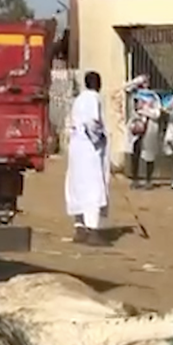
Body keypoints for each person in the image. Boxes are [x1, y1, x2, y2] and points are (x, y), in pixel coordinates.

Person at [65, 70, 111, 247]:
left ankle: (80, 227)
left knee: (77, 186)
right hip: (89, 149)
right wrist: (98, 138)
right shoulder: (93, 98)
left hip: (77, 147)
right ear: (98, 84)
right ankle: (92, 230)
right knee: (92, 188)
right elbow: (92, 121)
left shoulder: (79, 99)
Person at [126, 81, 162, 189]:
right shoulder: (134, 95)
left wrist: (145, 112)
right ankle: (135, 179)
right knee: (135, 152)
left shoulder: (154, 97)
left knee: (149, 153)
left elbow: (157, 113)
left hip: (150, 126)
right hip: (136, 126)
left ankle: (148, 180)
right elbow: (126, 88)